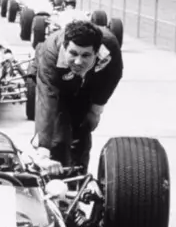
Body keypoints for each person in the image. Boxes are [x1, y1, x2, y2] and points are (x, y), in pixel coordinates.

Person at [31, 21, 123, 175]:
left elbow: (113, 76)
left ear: (96, 52)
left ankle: (77, 178)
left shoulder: (110, 46)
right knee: (58, 138)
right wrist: (43, 149)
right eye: (73, 53)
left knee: (82, 130)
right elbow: (48, 99)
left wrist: (96, 110)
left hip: (88, 82)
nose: (78, 61)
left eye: (85, 55)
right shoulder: (50, 53)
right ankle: (55, 179)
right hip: (56, 84)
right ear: (65, 48)